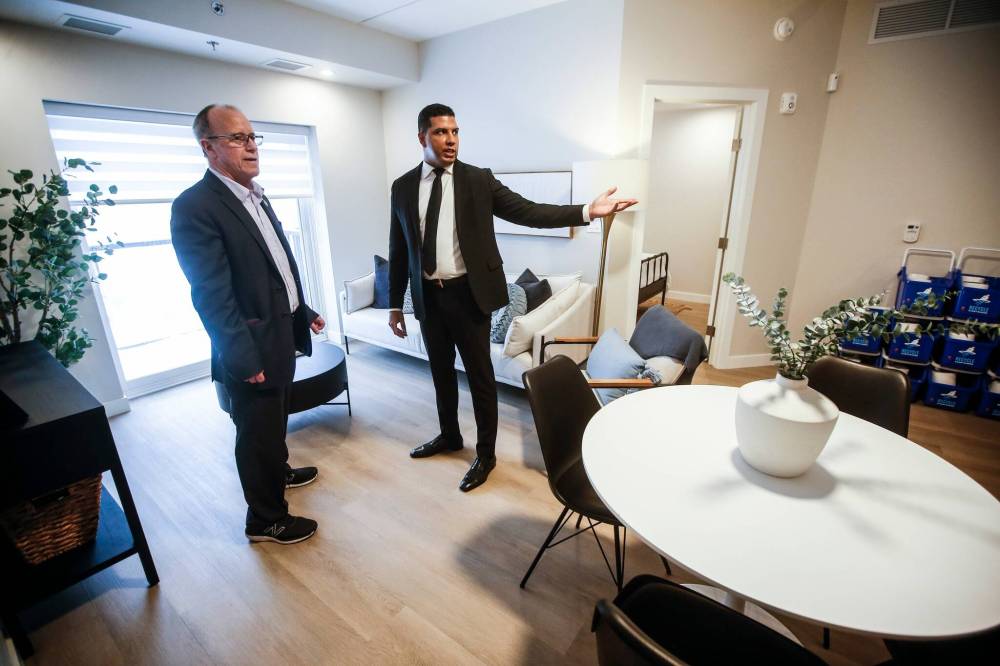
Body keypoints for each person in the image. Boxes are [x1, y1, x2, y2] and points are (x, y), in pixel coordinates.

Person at [387, 103, 637, 492]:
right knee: (440, 373)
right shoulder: (402, 187)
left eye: (455, 132)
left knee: (481, 379)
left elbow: (529, 212)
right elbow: (399, 247)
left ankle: (485, 455)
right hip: (429, 299)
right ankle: (449, 436)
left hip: (469, 296)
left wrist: (587, 211)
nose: (451, 140)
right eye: (440, 132)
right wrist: (394, 304)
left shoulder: (477, 180)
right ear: (422, 137)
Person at [171, 104, 325, 544]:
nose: (251, 146)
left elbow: (274, 268)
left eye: (253, 136)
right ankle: (265, 520)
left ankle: (279, 472)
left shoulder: (256, 195)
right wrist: (241, 356)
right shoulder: (195, 207)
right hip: (250, 348)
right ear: (208, 148)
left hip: (279, 334)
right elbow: (211, 294)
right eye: (237, 138)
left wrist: (302, 310)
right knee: (257, 435)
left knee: (273, 423)